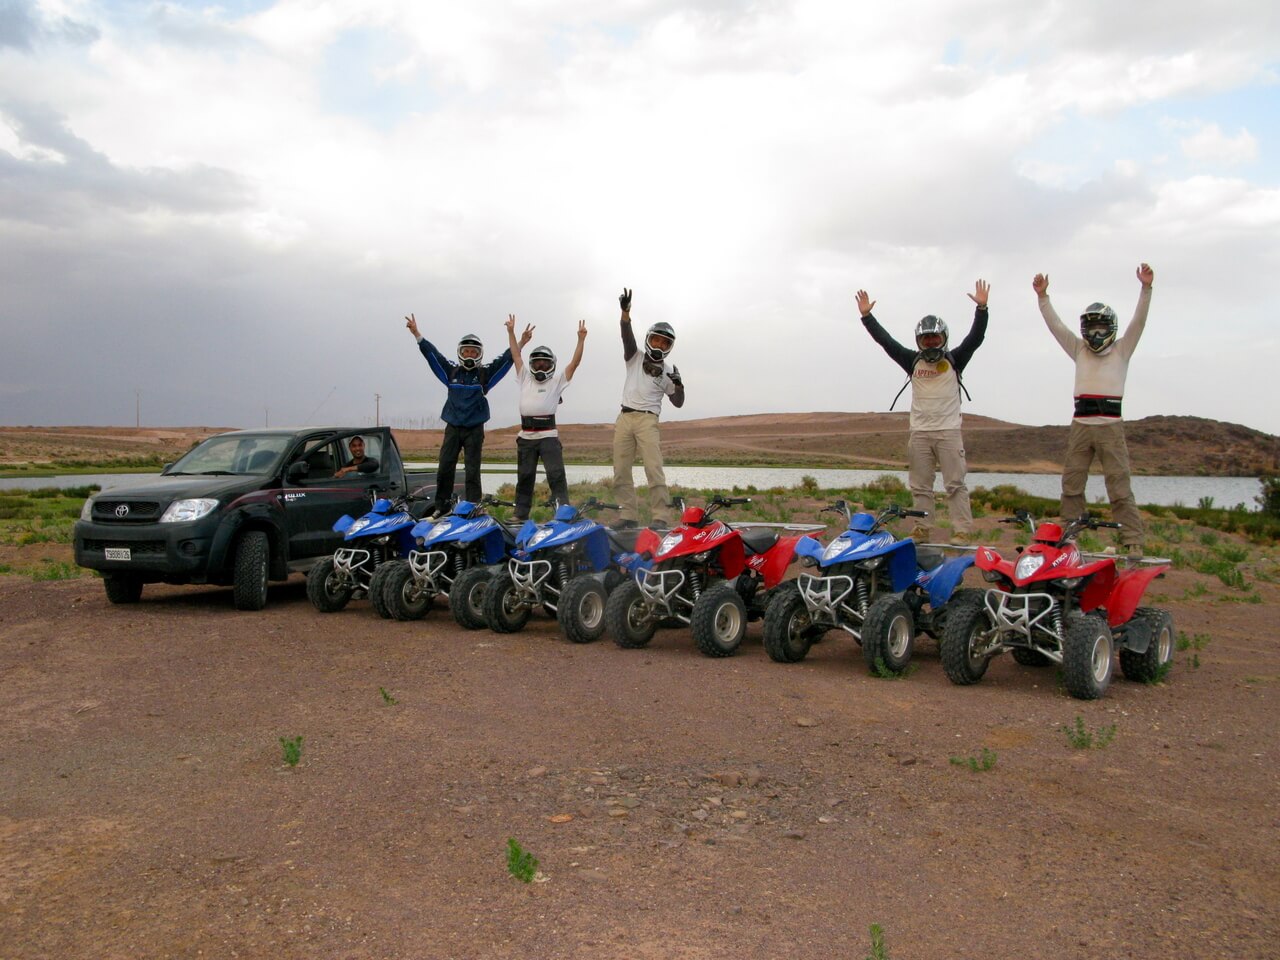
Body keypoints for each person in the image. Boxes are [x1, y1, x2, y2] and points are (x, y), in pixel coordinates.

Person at [1034, 264, 1154, 556]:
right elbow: (1056, 327)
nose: (1095, 334)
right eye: (1091, 328)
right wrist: (1043, 297)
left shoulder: (1123, 350)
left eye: (1101, 328)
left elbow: (1139, 321)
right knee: (1072, 483)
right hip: (1081, 424)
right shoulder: (1078, 349)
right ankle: (1071, 536)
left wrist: (1146, 288)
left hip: (1110, 426)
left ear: (1110, 328)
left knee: (1119, 485)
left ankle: (1132, 540)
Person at [856, 281, 989, 543]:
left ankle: (961, 530)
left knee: (955, 485)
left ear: (943, 338)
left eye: (934, 337)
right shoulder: (912, 361)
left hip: (948, 432)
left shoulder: (955, 359)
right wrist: (867, 316)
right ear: (919, 340)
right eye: (925, 338)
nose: (930, 342)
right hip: (919, 433)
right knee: (920, 486)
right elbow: (886, 342)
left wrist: (982, 309)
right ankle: (922, 527)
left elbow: (975, 339)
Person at [405, 313, 516, 517]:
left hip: (475, 428)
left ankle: (473, 506)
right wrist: (417, 334)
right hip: (453, 427)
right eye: (467, 351)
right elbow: (433, 356)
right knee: (445, 466)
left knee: (472, 470)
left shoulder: (484, 375)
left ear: (479, 354)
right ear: (460, 353)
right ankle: (442, 506)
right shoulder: (451, 372)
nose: (470, 355)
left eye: (474, 352)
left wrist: (519, 341)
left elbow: (505, 361)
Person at [612, 287, 684, 527]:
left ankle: (661, 517)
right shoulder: (635, 356)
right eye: (656, 339)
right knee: (621, 470)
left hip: (647, 421)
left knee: (653, 468)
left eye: (665, 343)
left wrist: (679, 384)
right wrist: (625, 314)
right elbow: (626, 337)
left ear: (669, 347)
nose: (660, 345)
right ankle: (628, 515)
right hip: (625, 417)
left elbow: (678, 402)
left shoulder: (668, 371)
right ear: (649, 338)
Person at [505, 315, 588, 521]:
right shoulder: (524, 377)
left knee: (556, 475)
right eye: (537, 363)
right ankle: (520, 514)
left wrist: (581, 339)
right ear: (532, 364)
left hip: (548, 436)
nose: (540, 367)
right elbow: (516, 356)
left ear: (551, 364)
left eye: (545, 363)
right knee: (524, 477)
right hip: (526, 437)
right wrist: (511, 333)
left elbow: (575, 363)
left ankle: (564, 513)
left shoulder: (557, 381)